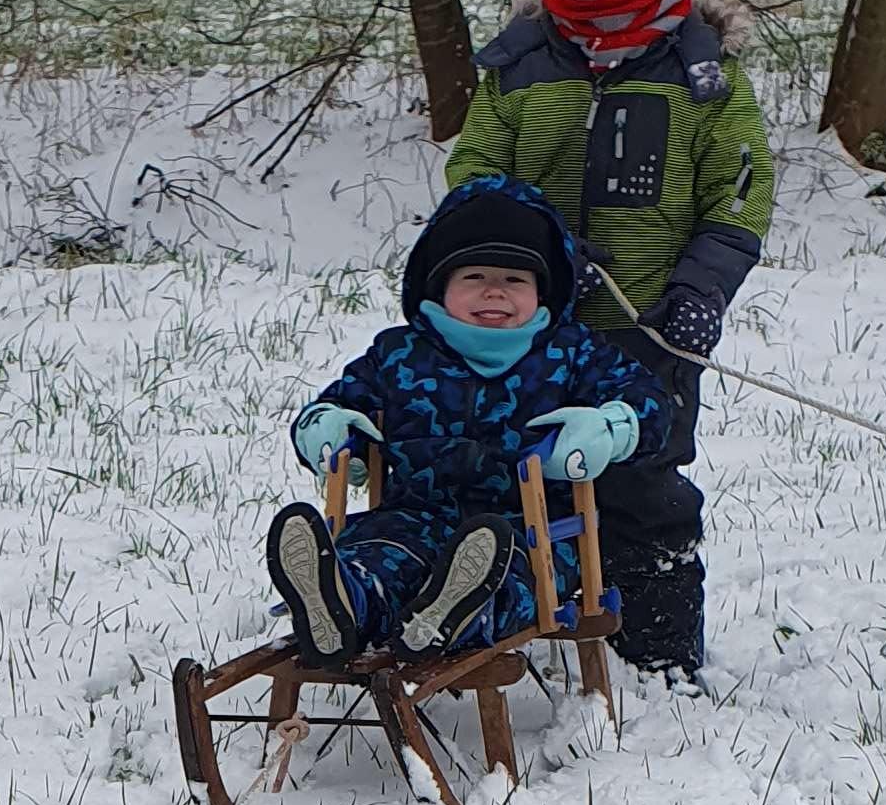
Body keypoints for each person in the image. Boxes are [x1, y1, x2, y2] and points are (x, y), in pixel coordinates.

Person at [444, 0, 774, 678]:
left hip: (654, 329)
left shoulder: (706, 74)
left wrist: (700, 293)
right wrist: (536, 248)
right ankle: (519, 627)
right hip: (528, 327)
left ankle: (659, 651)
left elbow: (737, 194)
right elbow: (475, 173)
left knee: (641, 486)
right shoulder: (519, 67)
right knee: (524, 476)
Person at [263, 177, 676, 664]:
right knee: (379, 557)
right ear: (441, 287)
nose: (495, 292)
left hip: (531, 528)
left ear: (543, 292)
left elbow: (649, 400)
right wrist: (329, 426)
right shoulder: (400, 354)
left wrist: (611, 426)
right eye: (475, 277)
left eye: (515, 280)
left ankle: (458, 615)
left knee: (512, 572)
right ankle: (343, 604)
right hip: (410, 517)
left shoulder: (572, 353)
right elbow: (341, 402)